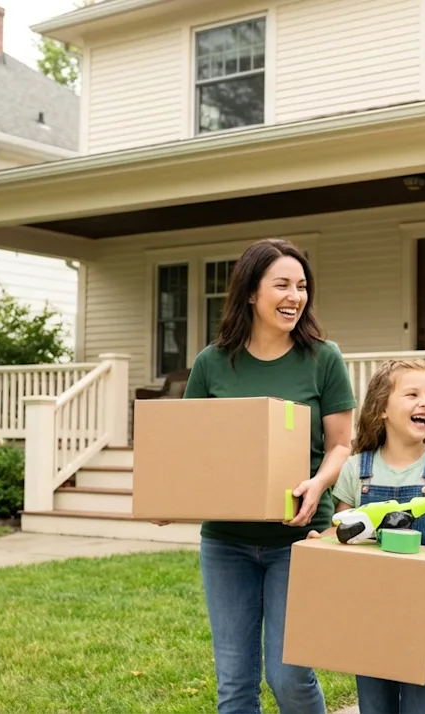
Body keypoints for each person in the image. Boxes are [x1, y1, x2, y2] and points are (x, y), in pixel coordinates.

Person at [175, 238, 356, 714]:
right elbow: (192, 446)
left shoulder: (323, 357)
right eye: (282, 285)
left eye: (301, 286)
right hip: (226, 543)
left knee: (289, 676)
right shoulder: (212, 362)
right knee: (234, 685)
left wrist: (319, 484)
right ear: (251, 293)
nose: (295, 296)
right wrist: (172, 499)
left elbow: (341, 442)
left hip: (299, 539)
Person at [310, 357, 425, 714]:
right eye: (413, 394)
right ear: (381, 409)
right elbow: (342, 531)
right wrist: (320, 542)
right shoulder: (357, 469)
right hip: (371, 611)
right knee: (374, 708)